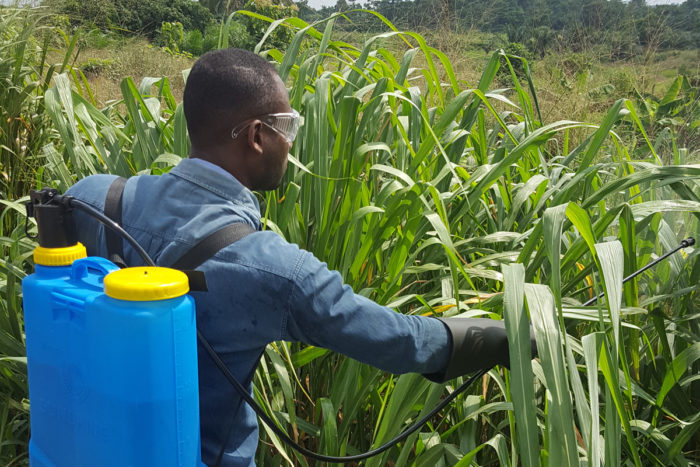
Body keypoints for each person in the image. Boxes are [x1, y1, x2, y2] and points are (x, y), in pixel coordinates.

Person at [67, 48, 532, 467]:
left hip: (90, 449)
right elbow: (400, 341)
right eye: (286, 126)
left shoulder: (91, 199)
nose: (290, 142)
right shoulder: (272, 269)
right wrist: (502, 337)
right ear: (256, 136)